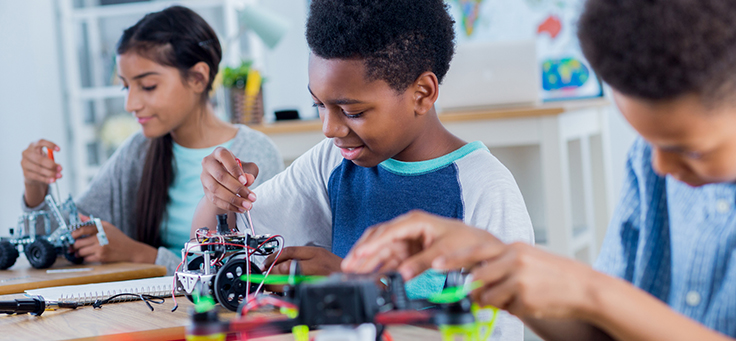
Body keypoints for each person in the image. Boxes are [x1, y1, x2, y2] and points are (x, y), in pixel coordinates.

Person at [343, 0, 736, 340]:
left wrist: (594, 293)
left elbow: (605, 302)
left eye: (689, 150)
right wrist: (497, 263)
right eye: (647, 140)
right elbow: (609, 333)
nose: (659, 165)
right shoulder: (650, 166)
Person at [193, 0, 534, 339]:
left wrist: (361, 291)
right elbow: (217, 247)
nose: (329, 128)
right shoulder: (332, 161)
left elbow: (494, 333)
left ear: (422, 93)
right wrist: (220, 195)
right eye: (319, 105)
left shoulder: (483, 189)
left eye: (352, 112)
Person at [20, 6, 283, 275]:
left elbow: (257, 270)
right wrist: (35, 188)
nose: (130, 103)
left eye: (147, 86)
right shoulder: (139, 151)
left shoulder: (254, 154)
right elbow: (57, 238)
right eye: (126, 86)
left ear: (197, 78)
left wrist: (139, 255)